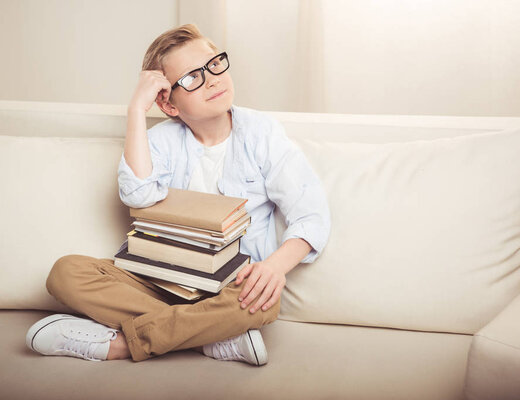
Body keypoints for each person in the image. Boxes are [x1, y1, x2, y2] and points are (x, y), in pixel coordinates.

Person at [25, 24, 331, 366]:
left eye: (214, 64)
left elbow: (311, 216)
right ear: (169, 104)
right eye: (191, 78)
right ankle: (210, 336)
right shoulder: (162, 140)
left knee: (264, 301)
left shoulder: (262, 133)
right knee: (66, 273)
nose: (212, 79)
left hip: (230, 285)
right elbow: (138, 195)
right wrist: (136, 112)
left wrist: (275, 268)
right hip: (159, 280)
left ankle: (124, 345)